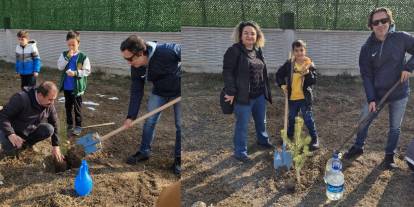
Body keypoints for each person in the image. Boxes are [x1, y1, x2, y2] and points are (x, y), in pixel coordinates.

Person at [343, 7, 414, 170]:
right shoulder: (367, 48)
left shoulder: (401, 38)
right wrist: (371, 99)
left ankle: (389, 156)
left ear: (390, 22)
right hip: (378, 92)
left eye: (384, 21)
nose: (381, 24)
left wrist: (408, 67)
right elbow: (366, 75)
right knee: (364, 120)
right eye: (376, 22)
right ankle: (358, 146)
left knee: (395, 126)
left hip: (399, 91)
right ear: (371, 26)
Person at [120, 35, 181, 175]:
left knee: (180, 125)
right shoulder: (136, 66)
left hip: (179, 92)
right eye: (125, 59)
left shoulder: (167, 51)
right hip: (159, 91)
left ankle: (179, 158)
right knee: (150, 121)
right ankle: (144, 151)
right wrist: (131, 116)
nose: (128, 63)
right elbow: (136, 90)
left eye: (129, 59)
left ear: (141, 53)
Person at [222, 21, 273, 163]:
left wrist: (265, 92)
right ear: (240, 35)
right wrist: (230, 91)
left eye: (253, 33)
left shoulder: (258, 51)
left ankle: (263, 141)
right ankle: (240, 152)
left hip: (259, 95)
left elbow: (262, 71)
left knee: (261, 122)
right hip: (243, 97)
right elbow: (227, 72)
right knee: (242, 126)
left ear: (257, 36)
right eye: (246, 33)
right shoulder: (234, 51)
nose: (249, 36)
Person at [0, 81, 64, 162]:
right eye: (50, 99)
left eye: (54, 99)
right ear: (40, 95)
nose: (52, 103)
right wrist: (11, 134)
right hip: (11, 131)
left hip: (27, 131)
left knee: (49, 129)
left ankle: (25, 145)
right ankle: (11, 147)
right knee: (10, 155)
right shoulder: (21, 99)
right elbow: (3, 116)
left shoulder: (49, 105)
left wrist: (56, 145)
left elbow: (55, 123)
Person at [275, 40, 319, 151]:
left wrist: (308, 73)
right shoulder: (289, 64)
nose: (299, 53)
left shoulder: (309, 64)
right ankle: (289, 135)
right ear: (293, 52)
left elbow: (313, 81)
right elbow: (279, 74)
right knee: (291, 117)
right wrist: (282, 85)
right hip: (292, 98)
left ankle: (314, 139)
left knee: (308, 118)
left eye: (301, 50)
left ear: (305, 51)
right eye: (296, 51)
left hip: (305, 98)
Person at [57, 31, 91, 136]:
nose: (71, 47)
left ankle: (78, 126)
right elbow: (60, 67)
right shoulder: (64, 54)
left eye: (74, 44)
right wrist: (67, 57)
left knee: (77, 108)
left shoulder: (83, 57)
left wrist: (75, 73)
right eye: (69, 45)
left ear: (78, 43)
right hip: (67, 87)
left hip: (77, 89)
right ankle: (69, 124)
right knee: (68, 107)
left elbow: (87, 71)